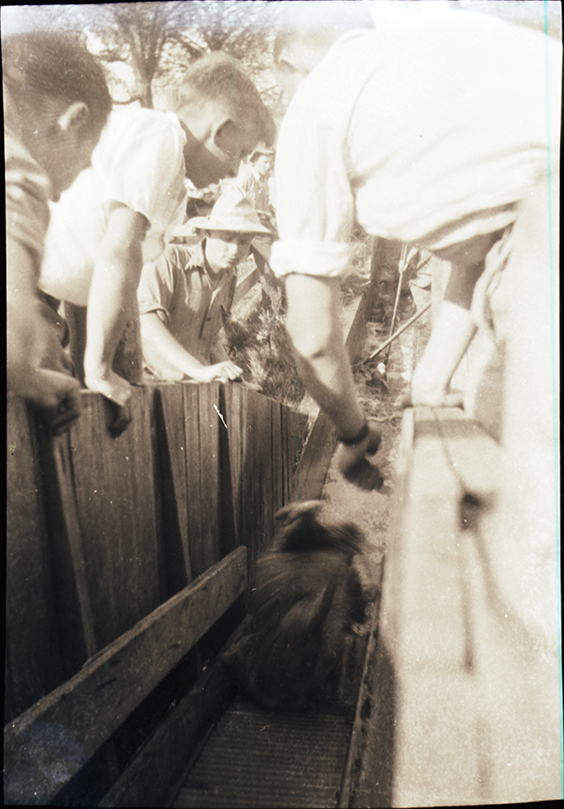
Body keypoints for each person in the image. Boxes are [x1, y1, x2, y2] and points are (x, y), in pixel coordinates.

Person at [270, 8, 560, 490]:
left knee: (509, 488)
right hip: (534, 221)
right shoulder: (429, 48)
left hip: (541, 232)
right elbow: (484, 247)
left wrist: (354, 433)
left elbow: (315, 339)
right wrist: (431, 379)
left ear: (285, 65)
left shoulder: (315, 101)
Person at [39, 53, 275, 426]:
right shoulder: (161, 137)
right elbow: (120, 248)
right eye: (241, 153)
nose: (233, 171)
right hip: (30, 283)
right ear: (222, 131)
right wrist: (98, 368)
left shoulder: (173, 171)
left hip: (52, 286)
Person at [4, 32, 112, 434]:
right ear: (73, 120)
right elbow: (11, 347)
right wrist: (31, 378)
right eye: (88, 155)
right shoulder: (18, 170)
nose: (85, 170)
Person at [138, 196, 271, 384]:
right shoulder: (170, 259)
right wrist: (198, 370)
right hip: (154, 383)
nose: (234, 250)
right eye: (227, 239)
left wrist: (235, 378)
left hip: (197, 386)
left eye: (243, 242)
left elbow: (211, 338)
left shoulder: (229, 276)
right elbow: (146, 322)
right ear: (207, 233)